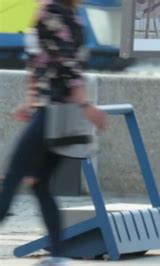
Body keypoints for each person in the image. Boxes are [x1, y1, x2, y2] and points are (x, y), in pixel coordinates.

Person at [0, 0, 106, 265]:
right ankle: (59, 255)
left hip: (53, 114)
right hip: (61, 114)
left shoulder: (53, 12)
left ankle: (59, 255)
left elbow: (66, 64)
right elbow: (42, 62)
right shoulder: (72, 16)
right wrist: (30, 100)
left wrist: (85, 103)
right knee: (40, 185)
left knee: (13, 178)